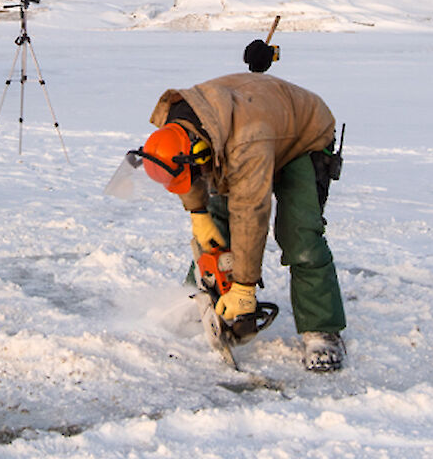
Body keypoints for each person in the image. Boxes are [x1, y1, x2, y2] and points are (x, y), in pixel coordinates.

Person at [138, 72, 348, 372]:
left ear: (199, 151)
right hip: (245, 125)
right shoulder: (175, 125)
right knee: (216, 221)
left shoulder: (248, 144)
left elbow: (251, 213)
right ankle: (196, 295)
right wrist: (198, 213)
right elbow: (185, 172)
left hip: (303, 136)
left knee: (300, 234)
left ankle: (322, 330)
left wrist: (245, 289)